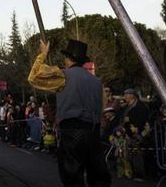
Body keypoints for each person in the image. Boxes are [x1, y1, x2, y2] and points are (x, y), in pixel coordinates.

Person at [28, 39, 111, 187]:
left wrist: (43, 54)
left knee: (72, 175)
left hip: (73, 130)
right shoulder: (96, 82)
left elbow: (33, 77)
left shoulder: (63, 76)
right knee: (98, 176)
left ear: (68, 59)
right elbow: (101, 107)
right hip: (93, 131)